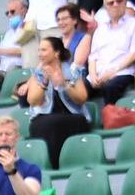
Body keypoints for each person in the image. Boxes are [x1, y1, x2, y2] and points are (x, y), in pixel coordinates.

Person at [18, 35, 91, 168]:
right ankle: (52, 165)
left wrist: (64, 83)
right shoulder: (38, 74)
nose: (40, 54)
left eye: (44, 50)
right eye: (39, 50)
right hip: (44, 117)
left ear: (56, 52)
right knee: (48, 123)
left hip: (72, 116)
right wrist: (45, 82)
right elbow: (32, 101)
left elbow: (81, 98)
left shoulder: (72, 71)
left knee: (69, 121)